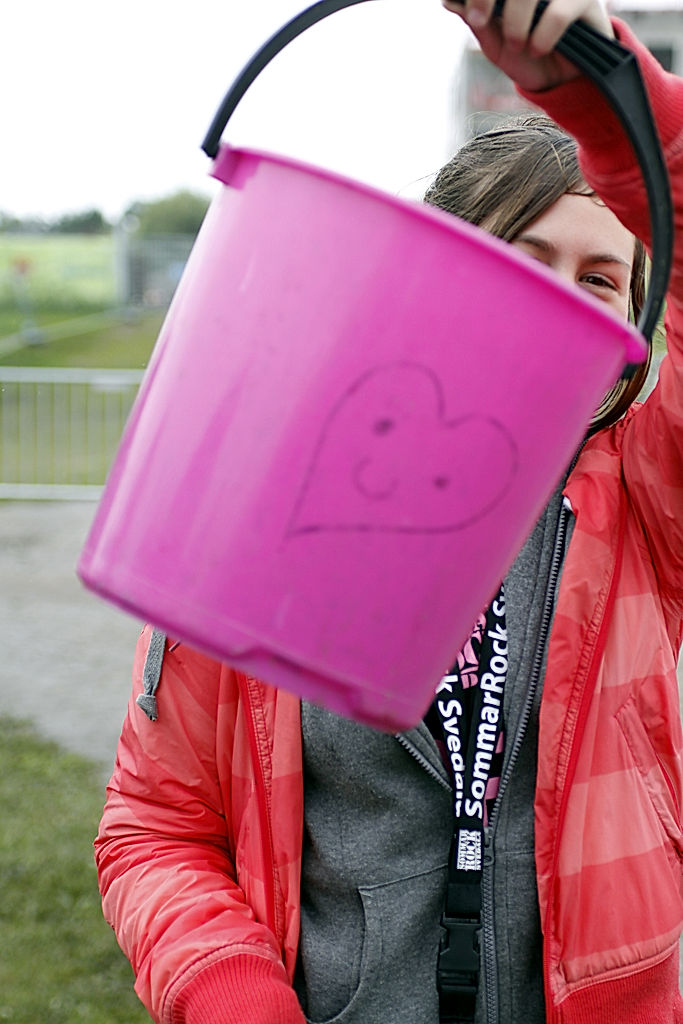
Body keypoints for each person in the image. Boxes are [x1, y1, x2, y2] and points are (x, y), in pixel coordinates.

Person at [94, 2, 683, 1022]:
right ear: (438, 269)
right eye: (519, 257)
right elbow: (155, 824)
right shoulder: (263, 516)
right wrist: (227, 990)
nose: (560, 302)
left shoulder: (645, 503)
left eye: (598, 279)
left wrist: (615, 112)